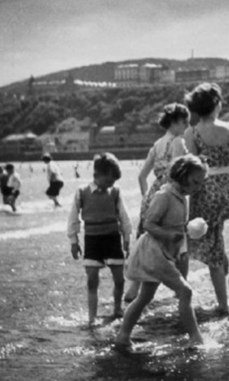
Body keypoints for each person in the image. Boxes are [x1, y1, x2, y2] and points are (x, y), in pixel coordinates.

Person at [115, 155, 208, 350]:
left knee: (144, 297)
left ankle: (123, 336)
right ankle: (195, 338)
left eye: (201, 183)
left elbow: (177, 227)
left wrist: (182, 242)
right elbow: (148, 223)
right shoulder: (164, 195)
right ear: (182, 176)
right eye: (195, 181)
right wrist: (168, 235)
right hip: (155, 252)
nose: (198, 186)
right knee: (185, 291)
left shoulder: (182, 198)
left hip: (163, 253)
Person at [183, 83, 229, 315]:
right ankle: (224, 296)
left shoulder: (192, 132)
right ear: (217, 104)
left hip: (205, 191)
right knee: (217, 238)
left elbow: (194, 168)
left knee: (201, 244)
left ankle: (219, 305)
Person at [124, 103, 190, 303]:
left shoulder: (157, 144)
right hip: (171, 194)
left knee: (148, 241)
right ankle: (181, 288)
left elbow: (141, 176)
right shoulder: (178, 141)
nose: (187, 126)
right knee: (180, 243)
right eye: (185, 122)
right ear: (176, 122)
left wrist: (147, 198)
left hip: (154, 193)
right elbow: (182, 171)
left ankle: (134, 288)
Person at [67, 153, 132, 326]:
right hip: (92, 241)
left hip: (112, 238)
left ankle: (117, 309)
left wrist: (126, 239)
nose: (111, 185)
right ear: (96, 175)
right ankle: (92, 317)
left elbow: (124, 217)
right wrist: (74, 241)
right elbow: (73, 217)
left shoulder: (116, 193)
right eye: (108, 181)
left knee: (119, 279)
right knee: (92, 280)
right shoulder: (82, 192)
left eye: (113, 182)